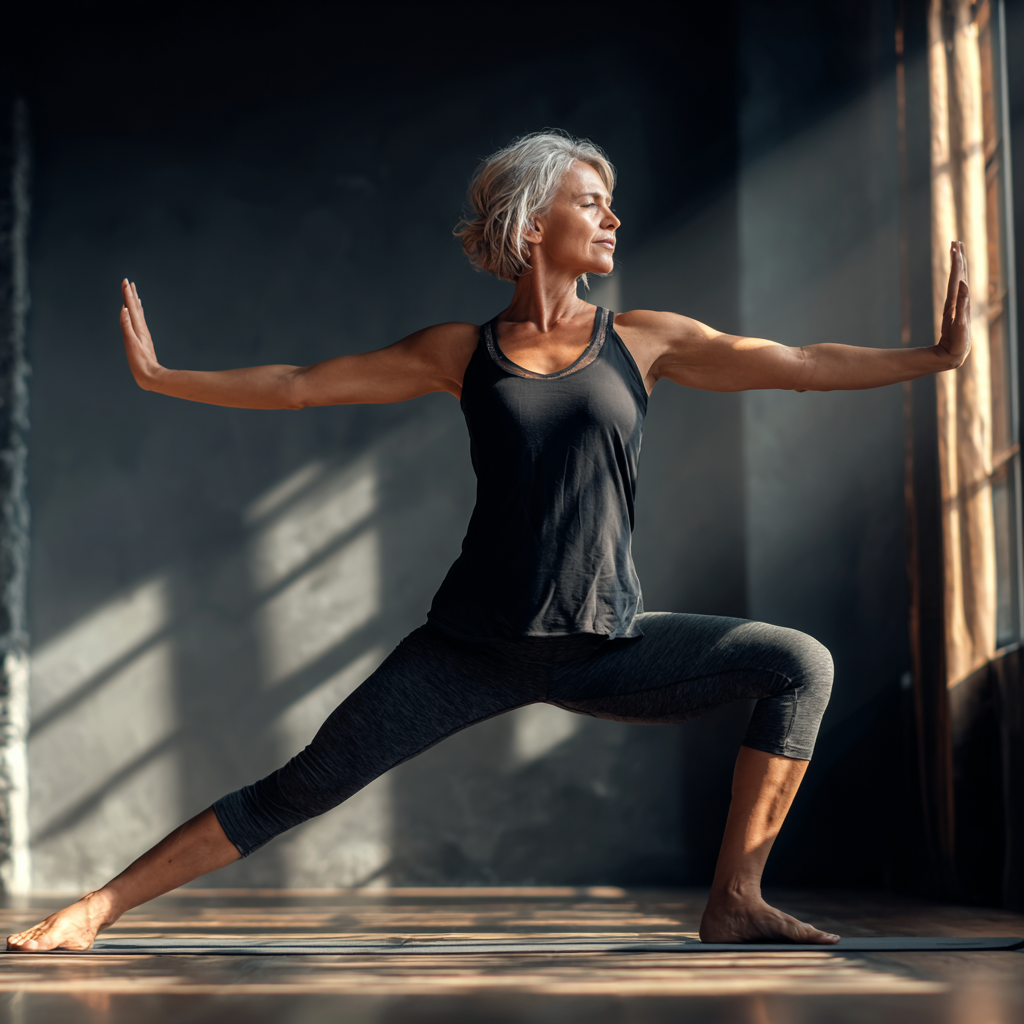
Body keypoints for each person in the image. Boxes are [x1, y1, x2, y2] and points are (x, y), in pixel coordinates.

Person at [8, 132, 971, 952]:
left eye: (612, 205)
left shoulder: (643, 340)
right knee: (296, 789)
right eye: (592, 202)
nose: (612, 220)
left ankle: (735, 899)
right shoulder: (461, 354)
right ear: (531, 217)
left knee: (798, 664)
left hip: (603, 647)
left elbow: (797, 363)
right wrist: (167, 377)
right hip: (468, 650)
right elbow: (301, 383)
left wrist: (933, 357)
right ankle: (94, 910)